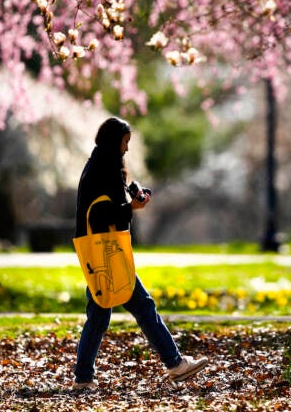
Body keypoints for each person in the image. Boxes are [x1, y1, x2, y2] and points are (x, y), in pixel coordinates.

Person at [72, 116, 208, 390]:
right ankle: (175, 364)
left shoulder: (104, 163)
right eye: (125, 142)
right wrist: (130, 208)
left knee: (99, 316)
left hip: (103, 253)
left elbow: (120, 190)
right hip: (106, 253)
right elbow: (101, 215)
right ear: (115, 141)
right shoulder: (101, 169)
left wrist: (136, 194)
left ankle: (83, 379)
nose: (127, 148)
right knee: (143, 306)